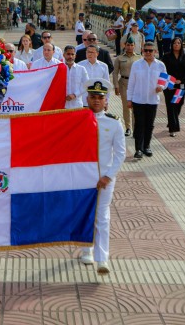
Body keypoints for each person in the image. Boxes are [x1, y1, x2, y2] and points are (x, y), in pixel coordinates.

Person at [79, 78, 126, 274]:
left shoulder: (114, 123)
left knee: (102, 217)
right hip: (83, 176)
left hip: (105, 177)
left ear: (106, 100)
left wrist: (108, 176)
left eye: (100, 97)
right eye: (92, 97)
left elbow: (121, 153)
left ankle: (102, 258)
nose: (96, 101)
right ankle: (86, 250)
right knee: (84, 215)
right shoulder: (78, 120)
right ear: (87, 98)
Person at [127, 42, 166, 159]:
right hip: (138, 100)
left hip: (153, 100)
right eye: (146, 50)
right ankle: (138, 149)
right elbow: (131, 83)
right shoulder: (136, 64)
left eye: (150, 50)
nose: (148, 53)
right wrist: (129, 99)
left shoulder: (160, 65)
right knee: (139, 124)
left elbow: (164, 80)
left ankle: (147, 146)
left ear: (155, 51)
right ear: (142, 51)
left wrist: (161, 87)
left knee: (149, 125)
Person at [161, 37, 185, 137]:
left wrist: (181, 80)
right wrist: (168, 84)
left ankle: (172, 121)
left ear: (181, 45)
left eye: (178, 43)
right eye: (174, 43)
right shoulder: (166, 56)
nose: (176, 45)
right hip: (169, 86)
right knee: (171, 106)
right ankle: (172, 128)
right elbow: (162, 71)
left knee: (178, 105)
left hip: (181, 86)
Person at [113, 38, 140, 137]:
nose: (129, 47)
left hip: (136, 85)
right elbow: (115, 73)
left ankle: (135, 127)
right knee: (126, 106)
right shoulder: (119, 58)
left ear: (134, 46)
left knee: (135, 107)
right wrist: (116, 85)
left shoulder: (139, 58)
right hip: (124, 83)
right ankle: (128, 127)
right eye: (128, 45)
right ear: (125, 45)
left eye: (131, 45)